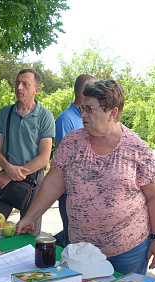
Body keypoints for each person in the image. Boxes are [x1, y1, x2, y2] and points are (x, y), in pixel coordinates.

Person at [16, 80, 155, 275]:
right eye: (82, 108)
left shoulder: (138, 150)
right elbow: (53, 183)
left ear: (112, 113)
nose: (82, 114)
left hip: (127, 251)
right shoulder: (72, 142)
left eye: (89, 109)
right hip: (80, 250)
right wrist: (30, 217)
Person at [0, 69, 55, 236]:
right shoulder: (5, 113)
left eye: (25, 84)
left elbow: (44, 158)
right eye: (17, 83)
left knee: (28, 233)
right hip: (6, 176)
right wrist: (8, 169)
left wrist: (12, 173)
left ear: (36, 90)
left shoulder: (45, 117)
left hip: (33, 180)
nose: (19, 87)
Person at [53, 74, 96, 248]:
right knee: (73, 241)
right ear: (85, 93)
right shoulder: (66, 119)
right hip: (69, 193)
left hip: (90, 193)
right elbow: (64, 162)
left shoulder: (95, 117)